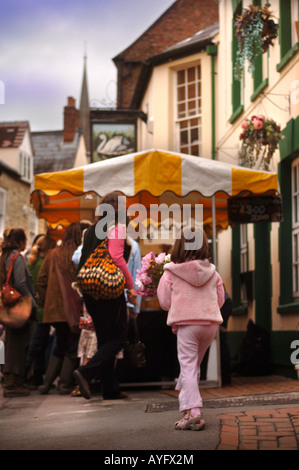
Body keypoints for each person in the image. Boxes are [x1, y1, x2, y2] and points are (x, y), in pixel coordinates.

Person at [157, 226, 224, 431]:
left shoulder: (170, 272)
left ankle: (194, 411)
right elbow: (220, 300)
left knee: (187, 367)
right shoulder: (213, 272)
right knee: (193, 369)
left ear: (179, 245)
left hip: (187, 324)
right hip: (210, 325)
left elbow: (164, 301)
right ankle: (187, 413)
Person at [73, 191, 137, 400]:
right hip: (110, 289)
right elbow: (117, 259)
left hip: (90, 290)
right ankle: (85, 372)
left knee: (104, 339)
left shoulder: (90, 232)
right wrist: (130, 288)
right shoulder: (117, 228)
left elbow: (82, 261)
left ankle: (110, 388)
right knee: (118, 337)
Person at [36, 223, 83, 395]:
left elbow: (40, 281)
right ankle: (64, 384)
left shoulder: (51, 254)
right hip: (73, 309)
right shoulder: (78, 254)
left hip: (53, 310)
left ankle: (47, 383)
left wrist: (46, 300)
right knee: (72, 345)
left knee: (60, 344)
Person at [0, 228, 37, 397]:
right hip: (18, 307)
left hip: (7, 307)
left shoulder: (4, 256)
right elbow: (21, 283)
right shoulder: (18, 257)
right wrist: (32, 302)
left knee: (10, 343)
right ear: (21, 241)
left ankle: (12, 381)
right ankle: (12, 384)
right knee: (16, 344)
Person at [25, 234, 57, 388]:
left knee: (38, 343)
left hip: (32, 306)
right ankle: (27, 374)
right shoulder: (45, 263)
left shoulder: (31, 261)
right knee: (38, 344)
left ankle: (35, 376)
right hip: (43, 307)